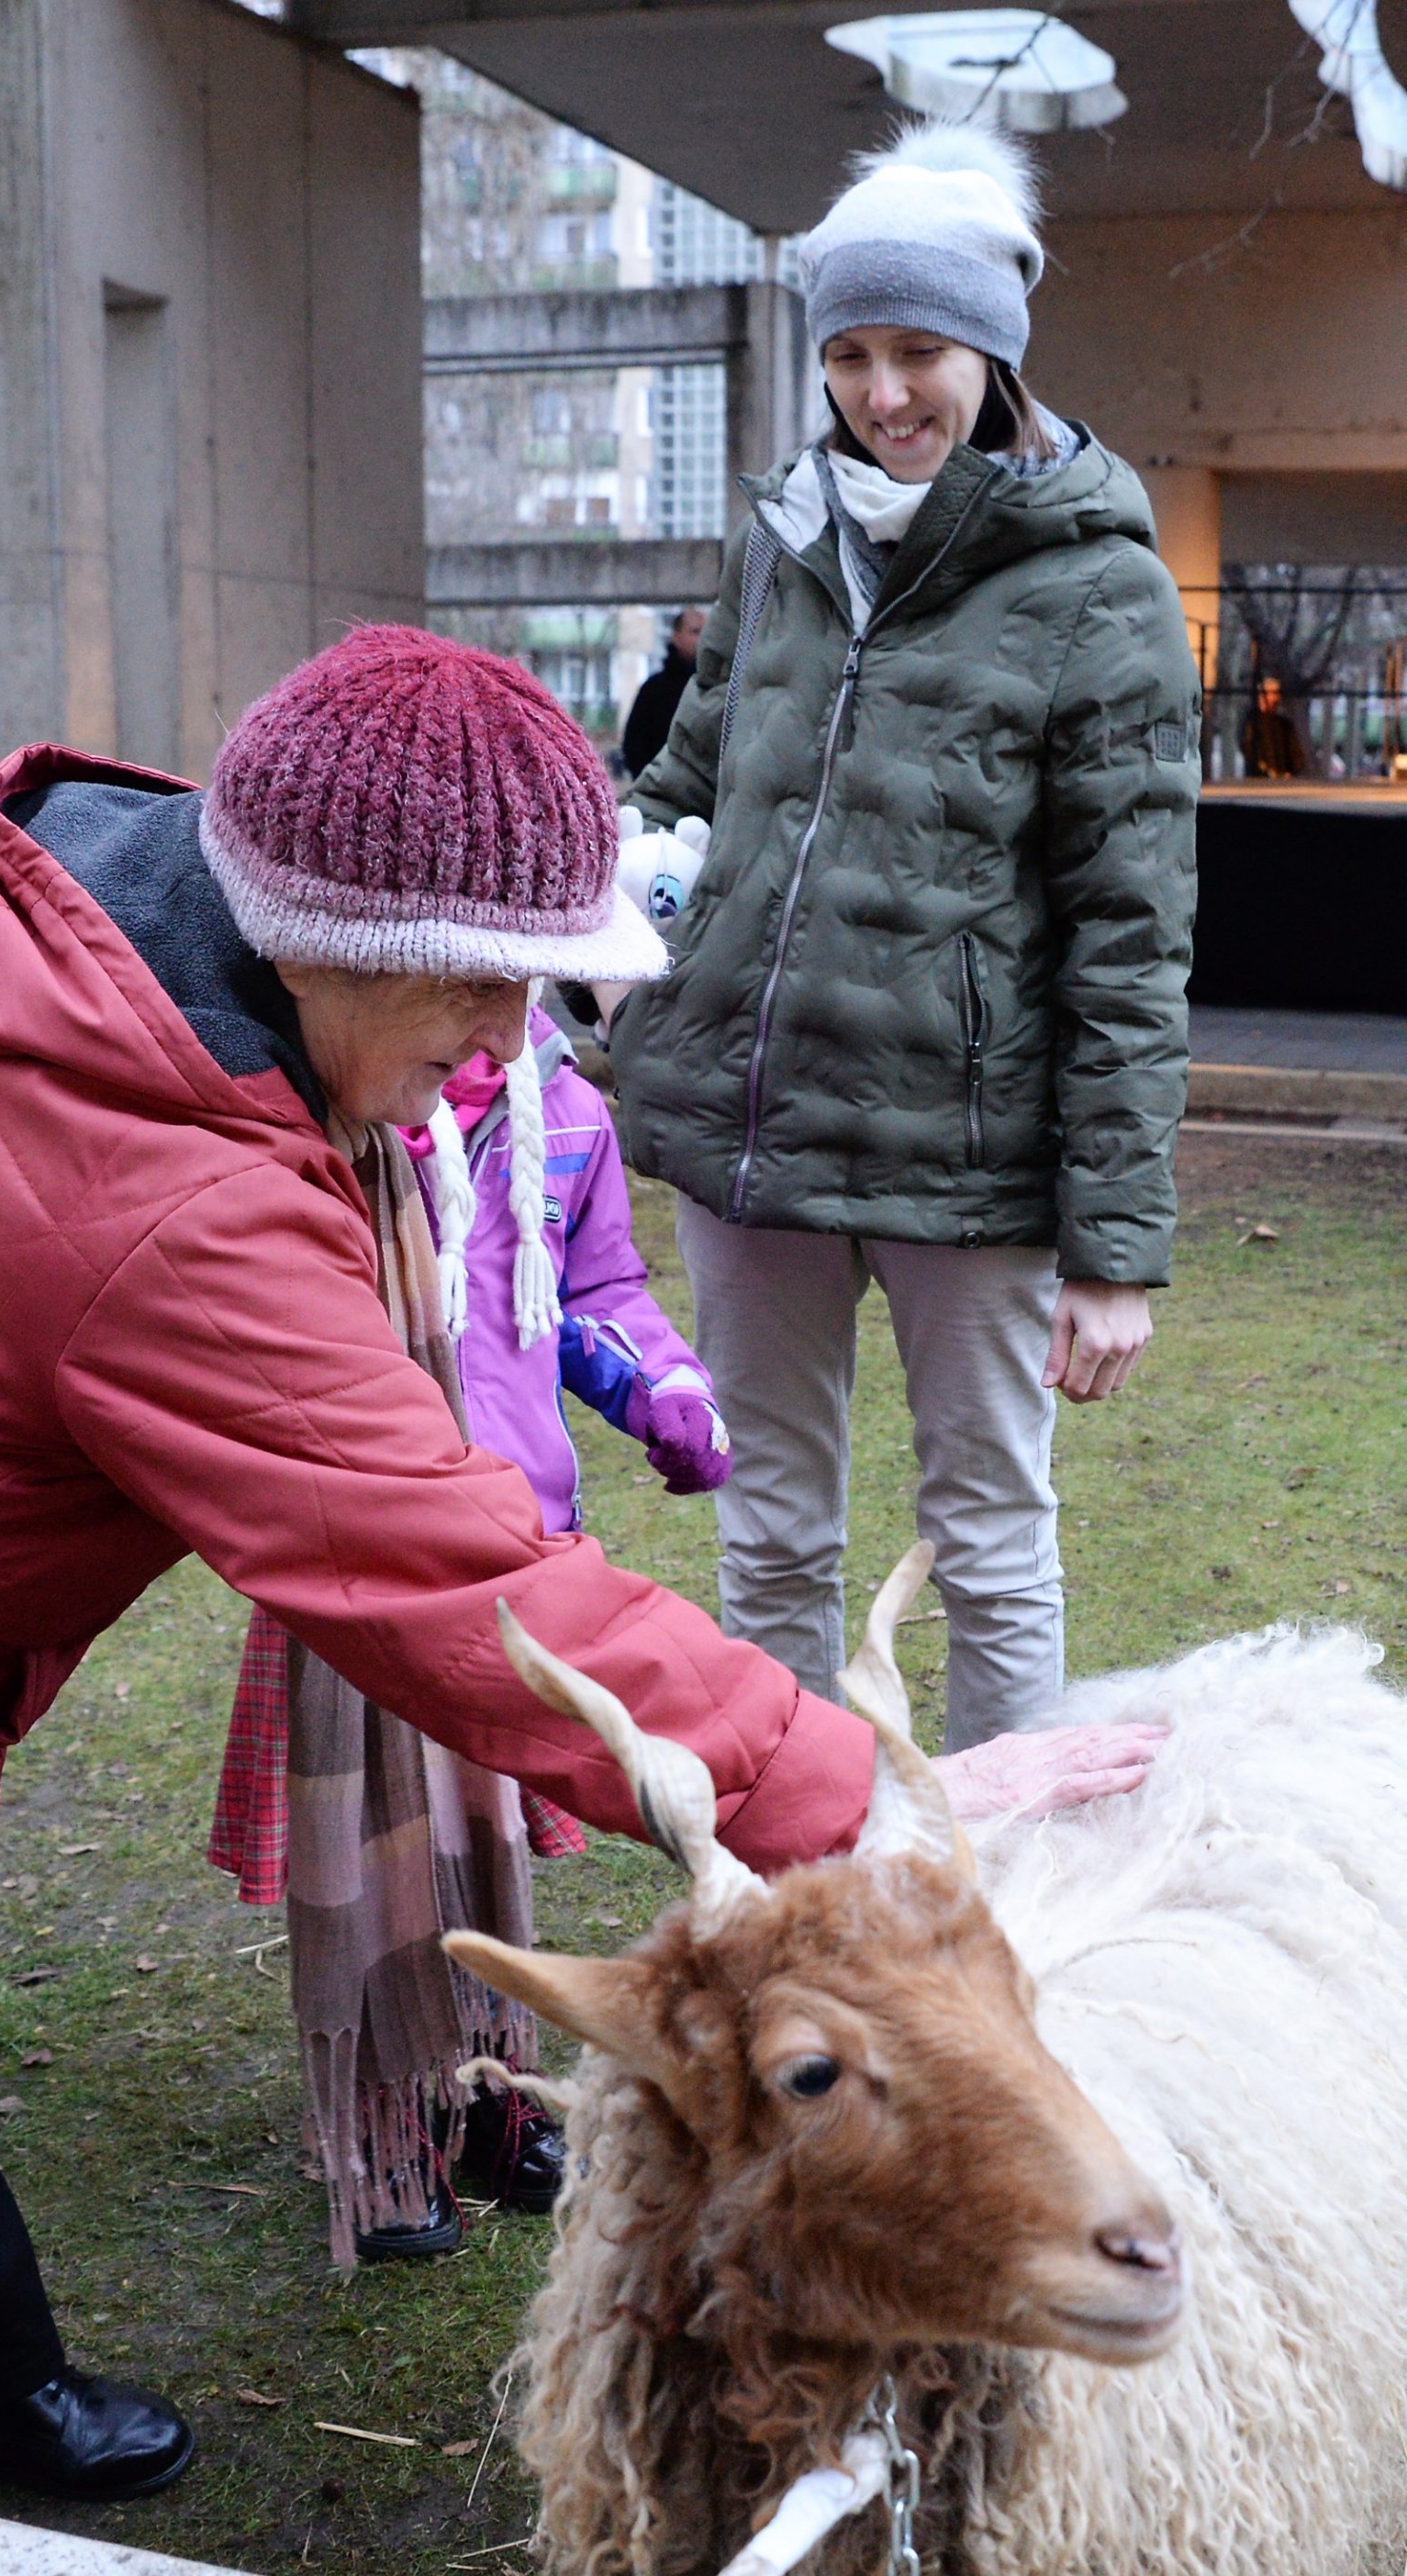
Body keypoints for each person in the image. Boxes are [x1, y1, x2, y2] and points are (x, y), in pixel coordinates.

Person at [0, 623, 1164, 2499]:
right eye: (484, 985)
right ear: (335, 935)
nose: (507, 1045)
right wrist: (855, 1795)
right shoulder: (150, 1185)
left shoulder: (88, 935)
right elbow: (458, 1583)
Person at [608, 119, 1200, 1753]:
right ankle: (799, 1894)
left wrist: (1116, 1247)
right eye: (853, 353)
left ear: (994, 353)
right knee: (772, 1534)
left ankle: (1008, 1908)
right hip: (759, 1138)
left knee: (992, 1545)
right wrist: (608, 910)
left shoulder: (1100, 588)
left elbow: (1131, 936)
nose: (884, 392)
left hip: (973, 1163)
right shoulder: (784, 536)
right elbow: (691, 780)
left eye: (921, 351)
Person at [212, 993, 730, 2264]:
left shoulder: (565, 1113)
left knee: (488, 1842)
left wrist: (660, 1379)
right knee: (383, 1855)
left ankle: (493, 2099)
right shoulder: (340, 1104)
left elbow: (594, 1282)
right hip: (364, 1549)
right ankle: (386, 2136)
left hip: (513, 1548)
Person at [620, 608, 707, 777]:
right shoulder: (654, 691)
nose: (703, 638)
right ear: (676, 637)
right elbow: (634, 746)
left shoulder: (719, 688)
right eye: (695, 631)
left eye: (707, 631)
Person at [1241, 674, 1307, 779]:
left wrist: (1291, 770)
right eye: (1272, 693)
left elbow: (1295, 752)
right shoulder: (1252, 722)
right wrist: (1267, 770)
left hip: (1284, 778)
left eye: (1276, 693)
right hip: (1259, 780)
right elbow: (1249, 749)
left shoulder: (1283, 724)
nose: (1276, 698)